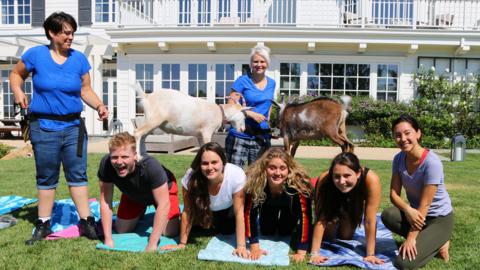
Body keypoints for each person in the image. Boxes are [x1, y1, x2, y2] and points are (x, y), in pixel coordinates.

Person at [9, 12, 108, 244]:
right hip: (43, 126)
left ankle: (87, 222)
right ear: (52, 33)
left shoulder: (79, 59)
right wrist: (18, 91)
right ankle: (43, 223)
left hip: (74, 127)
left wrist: (100, 106)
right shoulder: (35, 55)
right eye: (66, 32)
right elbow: (15, 74)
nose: (71, 36)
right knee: (47, 176)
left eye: (72, 32)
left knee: (78, 174)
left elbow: (85, 90)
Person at [381, 115, 454, 269]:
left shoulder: (432, 163)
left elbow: (425, 204)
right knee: (388, 215)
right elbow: (394, 195)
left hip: (438, 218)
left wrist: (411, 238)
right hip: (415, 214)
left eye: (407, 133)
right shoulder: (398, 159)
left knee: (403, 263)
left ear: (418, 134)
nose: (403, 139)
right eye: (398, 135)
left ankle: (441, 238)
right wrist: (407, 210)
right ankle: (430, 239)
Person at [161, 142, 248, 257]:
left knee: (228, 230)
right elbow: (187, 211)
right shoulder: (190, 177)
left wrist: (241, 246)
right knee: (189, 231)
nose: (210, 167)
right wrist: (182, 244)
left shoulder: (236, 175)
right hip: (202, 208)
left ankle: (213, 223)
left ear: (223, 162)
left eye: (214, 162)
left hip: (226, 210)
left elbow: (239, 213)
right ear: (199, 164)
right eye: (205, 163)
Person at [98, 132, 180, 252]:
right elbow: (106, 201)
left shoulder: (150, 166)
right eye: (114, 157)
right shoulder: (106, 165)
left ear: (135, 155)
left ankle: (175, 215)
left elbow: (164, 203)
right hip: (133, 194)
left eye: (125, 157)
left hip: (164, 191)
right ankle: (140, 209)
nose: (119, 162)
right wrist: (108, 239)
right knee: (121, 230)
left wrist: (152, 243)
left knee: (169, 232)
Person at [309, 152, 384, 265]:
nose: (342, 181)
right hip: (332, 200)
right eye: (337, 176)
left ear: (358, 173)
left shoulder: (371, 179)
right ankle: (334, 218)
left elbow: (369, 220)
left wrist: (370, 254)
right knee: (328, 237)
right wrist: (314, 253)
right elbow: (321, 218)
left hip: (353, 201)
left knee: (346, 236)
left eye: (347, 175)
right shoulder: (325, 180)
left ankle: (345, 216)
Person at [244, 147, 313, 263]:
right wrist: (254, 246)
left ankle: (286, 224)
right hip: (268, 204)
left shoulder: (298, 185)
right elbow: (249, 213)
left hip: (289, 208)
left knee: (285, 232)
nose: (277, 173)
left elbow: (305, 218)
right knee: (266, 231)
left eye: (282, 168)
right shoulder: (256, 182)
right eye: (272, 168)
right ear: (264, 169)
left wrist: (301, 251)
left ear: (289, 169)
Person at [225, 44, 276, 167]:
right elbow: (230, 107)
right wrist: (249, 113)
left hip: (261, 136)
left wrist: (269, 122)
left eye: (262, 61)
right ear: (251, 63)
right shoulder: (242, 81)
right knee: (235, 175)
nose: (259, 65)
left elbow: (268, 104)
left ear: (267, 63)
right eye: (255, 61)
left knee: (257, 177)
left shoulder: (272, 83)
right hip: (240, 135)